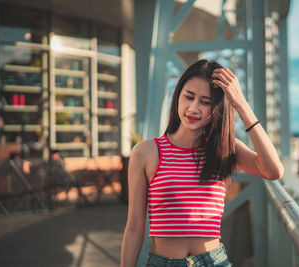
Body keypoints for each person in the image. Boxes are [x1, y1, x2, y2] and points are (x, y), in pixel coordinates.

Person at [120, 59, 284, 266]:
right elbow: (135, 225)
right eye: (189, 97)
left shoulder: (224, 148)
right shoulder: (146, 152)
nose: (193, 108)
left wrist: (241, 104)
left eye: (205, 102)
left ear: (216, 108)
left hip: (213, 261)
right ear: (177, 96)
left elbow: (273, 170)